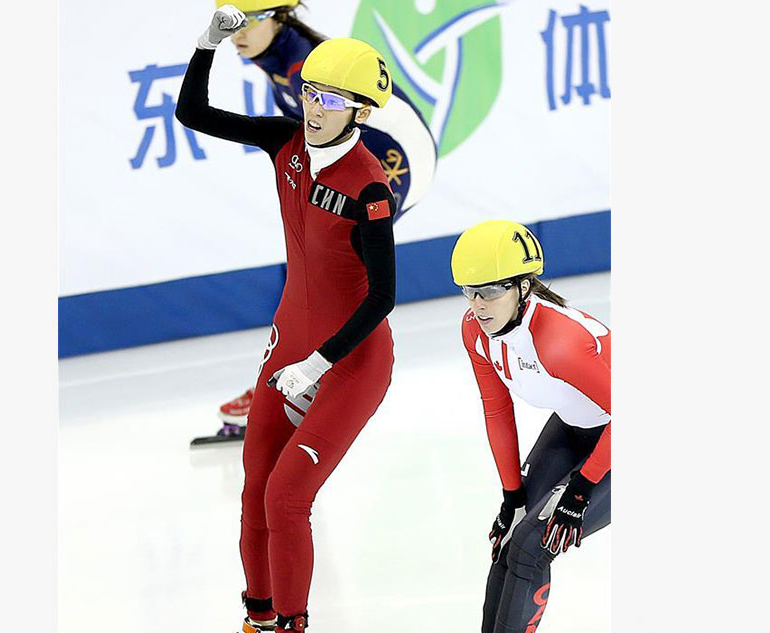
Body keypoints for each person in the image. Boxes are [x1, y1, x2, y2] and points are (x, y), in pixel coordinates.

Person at [177, 6, 398, 631]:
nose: (315, 106)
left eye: (331, 97)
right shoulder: (286, 143)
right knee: (254, 493)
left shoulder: (369, 187)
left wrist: (320, 363)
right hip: (288, 348)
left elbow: (382, 298)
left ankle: (295, 624)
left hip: (351, 362)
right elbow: (193, 114)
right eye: (308, 91)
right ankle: (260, 620)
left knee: (287, 497)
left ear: (361, 109)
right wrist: (205, 46)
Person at [208, 0, 436, 436]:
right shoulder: (280, 55)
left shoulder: (298, 71)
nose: (237, 31)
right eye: (231, 20)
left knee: (334, 270)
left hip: (400, 157)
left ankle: (316, 377)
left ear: (276, 16)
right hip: (390, 145)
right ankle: (303, 374)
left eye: (247, 20)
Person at [451, 220, 611, 633]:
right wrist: (511, 496)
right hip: (577, 427)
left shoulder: (559, 341)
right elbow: (496, 410)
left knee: (530, 548)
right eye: (469, 292)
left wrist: (581, 489)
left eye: (489, 291)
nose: (477, 305)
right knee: (508, 542)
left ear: (524, 287)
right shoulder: (476, 332)